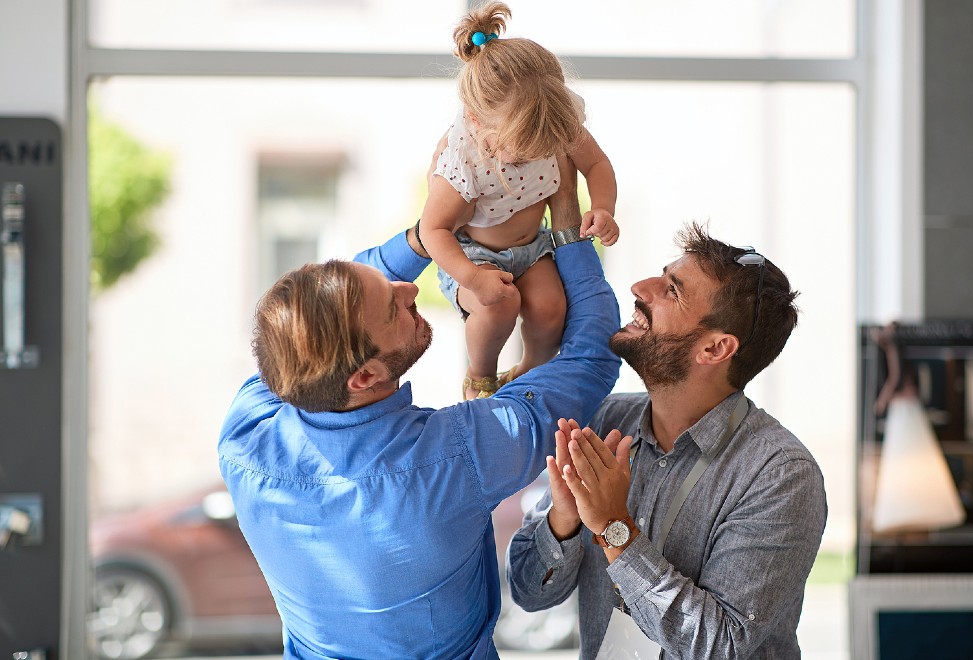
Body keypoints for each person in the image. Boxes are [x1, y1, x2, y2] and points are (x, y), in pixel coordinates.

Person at [217, 166, 620, 660]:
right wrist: (565, 222)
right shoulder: (459, 457)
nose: (412, 289)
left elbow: (317, 311)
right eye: (393, 308)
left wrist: (432, 233)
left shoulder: (244, 433)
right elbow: (592, 355)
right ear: (364, 377)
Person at [507, 222, 828, 659]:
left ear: (715, 349)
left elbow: (721, 646)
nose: (640, 287)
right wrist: (563, 520)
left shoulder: (780, 474)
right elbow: (529, 594)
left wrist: (612, 527)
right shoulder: (602, 421)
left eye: (672, 291)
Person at [416, 1, 619, 400]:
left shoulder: (551, 120)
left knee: (550, 310)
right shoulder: (462, 160)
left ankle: (530, 371)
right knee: (498, 306)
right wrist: (472, 278)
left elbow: (596, 164)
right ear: (476, 122)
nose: (541, 154)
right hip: (473, 257)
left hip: (532, 248)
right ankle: (481, 377)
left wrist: (603, 206)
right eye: (524, 152)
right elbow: (432, 229)